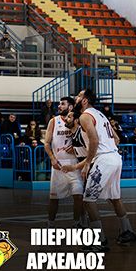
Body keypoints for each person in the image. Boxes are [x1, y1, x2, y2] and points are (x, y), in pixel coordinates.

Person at [61, 89, 136, 252]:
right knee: (114, 198)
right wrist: (107, 150)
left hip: (103, 159)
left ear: (85, 100)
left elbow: (94, 140)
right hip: (114, 157)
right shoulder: (101, 115)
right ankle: (127, 231)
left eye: (79, 96)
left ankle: (99, 241)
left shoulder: (85, 116)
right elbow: (116, 139)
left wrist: (88, 162)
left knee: (88, 200)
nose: (76, 98)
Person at [44, 97, 85, 228]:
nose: (59, 106)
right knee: (54, 199)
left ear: (71, 107)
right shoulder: (54, 121)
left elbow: (84, 140)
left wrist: (76, 147)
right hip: (59, 165)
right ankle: (50, 224)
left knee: (78, 196)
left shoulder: (78, 120)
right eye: (59, 104)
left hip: (74, 164)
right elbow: (46, 143)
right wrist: (52, 158)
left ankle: (77, 223)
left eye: (62, 104)